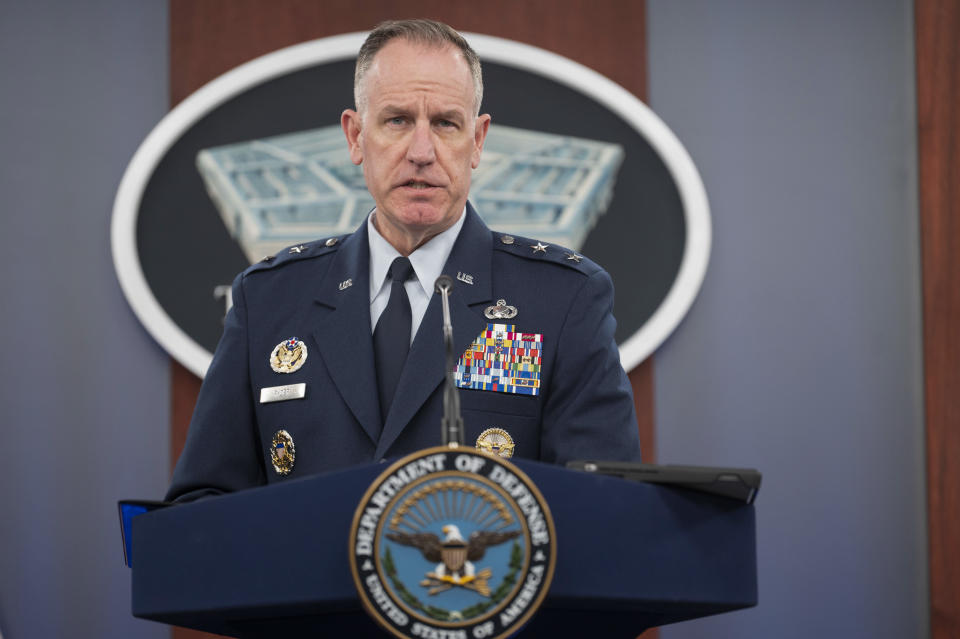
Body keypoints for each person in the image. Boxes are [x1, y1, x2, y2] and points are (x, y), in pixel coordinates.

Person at [166, 19, 641, 502]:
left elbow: (604, 508)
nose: (421, 152)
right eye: (396, 120)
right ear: (355, 136)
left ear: (477, 141)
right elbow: (203, 505)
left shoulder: (562, 299)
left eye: (445, 123)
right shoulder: (267, 299)